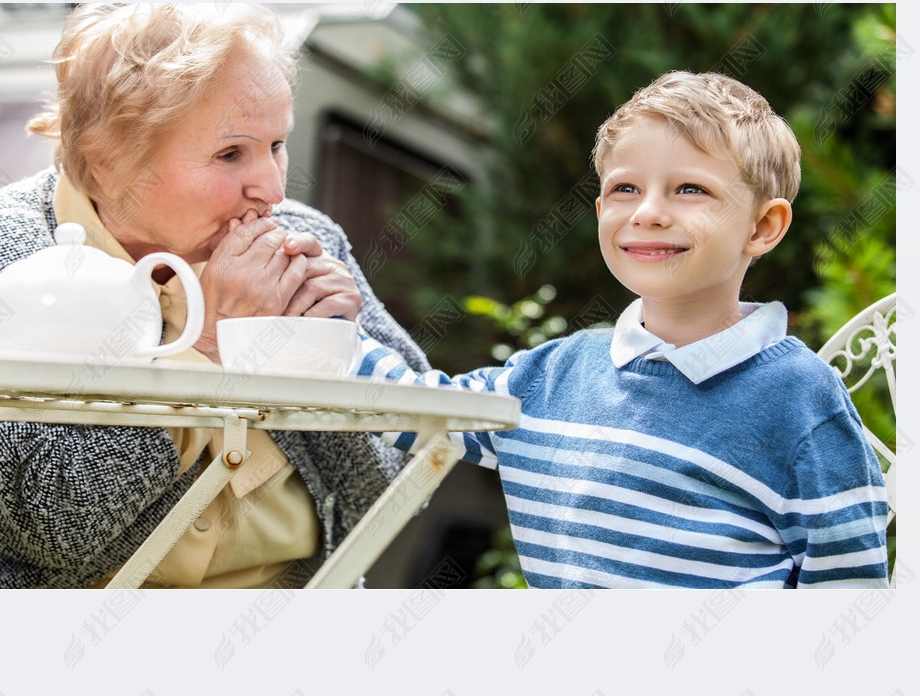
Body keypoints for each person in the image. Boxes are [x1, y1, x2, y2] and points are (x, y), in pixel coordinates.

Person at [0, 3, 428, 588]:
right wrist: (207, 345)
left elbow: (402, 488)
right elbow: (52, 528)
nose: (271, 187)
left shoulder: (309, 241)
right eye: (230, 153)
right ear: (108, 163)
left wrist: (327, 356)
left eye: (277, 145)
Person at [356, 71, 890, 588]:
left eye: (689, 189)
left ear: (763, 226)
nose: (648, 212)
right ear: (599, 210)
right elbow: (416, 409)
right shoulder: (553, 374)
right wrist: (319, 324)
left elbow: (847, 592)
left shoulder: (799, 399)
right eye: (626, 188)